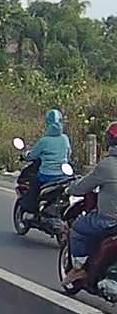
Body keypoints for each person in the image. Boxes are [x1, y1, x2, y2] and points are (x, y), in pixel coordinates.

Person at [63, 122, 117, 286]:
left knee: (78, 228)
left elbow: (82, 187)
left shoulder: (106, 165)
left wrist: (70, 189)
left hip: (108, 220)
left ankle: (79, 268)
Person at [20, 109, 72, 211]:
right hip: (63, 175)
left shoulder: (44, 141)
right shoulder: (65, 138)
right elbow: (69, 153)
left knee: (33, 186)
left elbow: (32, 155)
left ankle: (32, 208)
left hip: (46, 175)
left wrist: (25, 156)